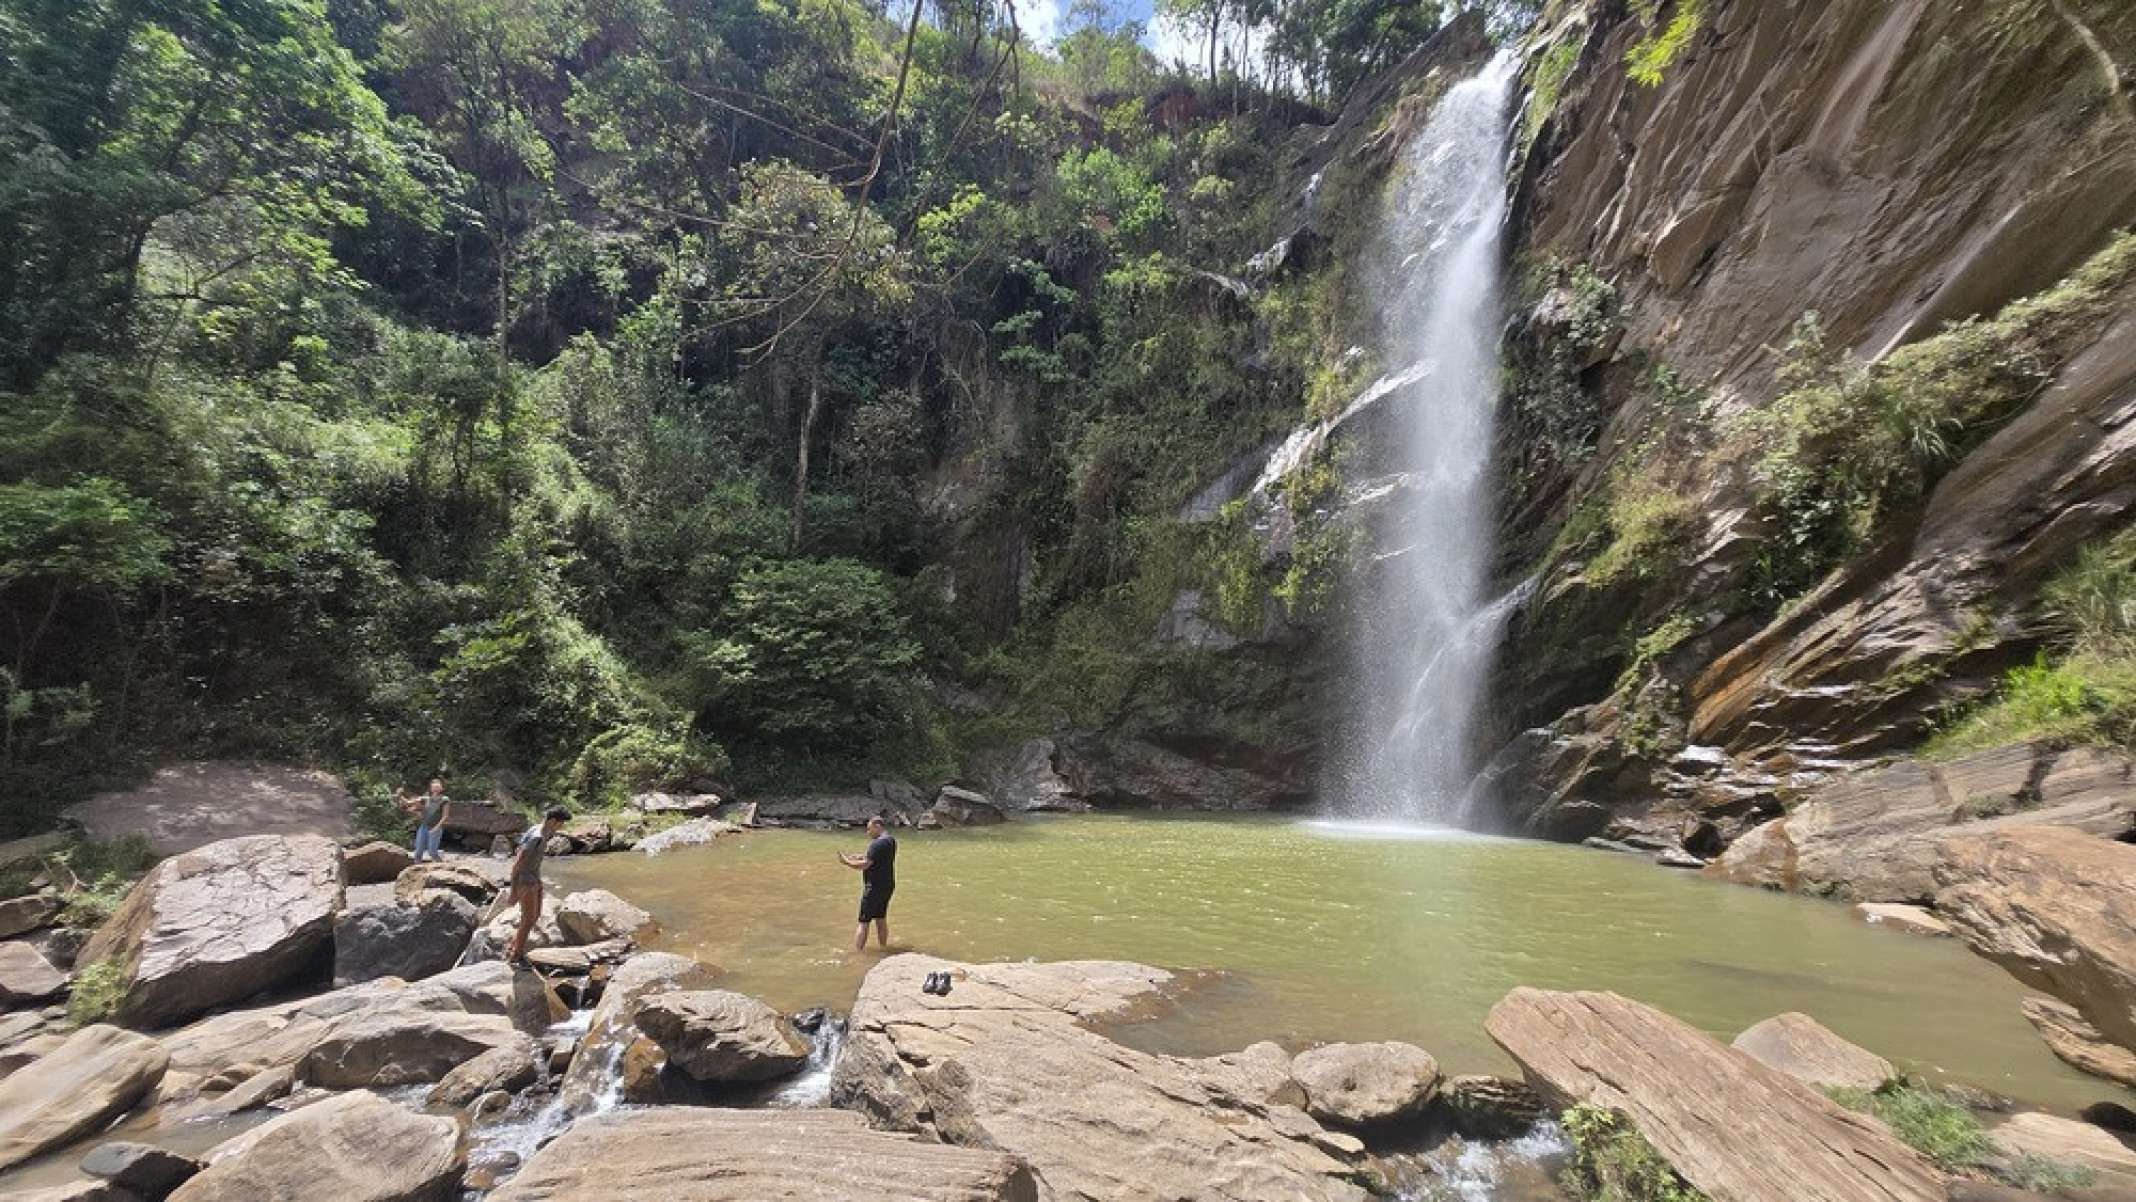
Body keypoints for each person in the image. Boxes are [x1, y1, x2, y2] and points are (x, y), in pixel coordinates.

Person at [504, 807, 570, 963]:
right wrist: (513, 891)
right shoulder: (537, 837)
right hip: (525, 881)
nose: (561, 827)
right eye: (560, 824)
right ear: (552, 821)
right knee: (528, 919)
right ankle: (516, 955)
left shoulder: (541, 831)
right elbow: (517, 864)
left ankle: (513, 945)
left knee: (535, 916)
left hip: (534, 879)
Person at [840, 815, 897, 951]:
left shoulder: (876, 844)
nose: (868, 832)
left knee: (863, 922)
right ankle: (883, 947)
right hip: (887, 886)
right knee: (880, 918)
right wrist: (860, 856)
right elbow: (876, 859)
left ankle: (857, 952)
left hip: (874, 887)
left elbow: (865, 865)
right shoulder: (890, 841)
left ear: (878, 826)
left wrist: (847, 862)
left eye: (869, 829)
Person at [411, 778, 452, 863]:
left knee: (432, 852)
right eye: (434, 787)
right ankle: (417, 870)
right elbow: (409, 802)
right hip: (424, 827)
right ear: (431, 788)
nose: (435, 789)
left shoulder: (445, 799)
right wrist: (400, 797)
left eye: (437, 787)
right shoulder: (426, 799)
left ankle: (442, 867)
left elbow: (445, 816)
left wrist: (436, 828)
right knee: (418, 851)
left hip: (435, 827)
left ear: (441, 788)